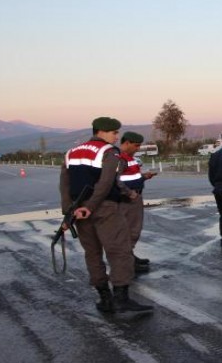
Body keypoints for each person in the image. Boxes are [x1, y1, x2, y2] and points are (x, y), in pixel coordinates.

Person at [59, 117, 153, 314]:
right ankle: (121, 299)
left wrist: (69, 214)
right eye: (114, 132)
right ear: (101, 131)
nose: (117, 136)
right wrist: (91, 206)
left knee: (92, 254)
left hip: (79, 210)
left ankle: (105, 299)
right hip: (104, 208)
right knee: (120, 251)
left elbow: (64, 186)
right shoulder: (108, 152)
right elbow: (106, 184)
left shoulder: (71, 152)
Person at [117, 131, 157, 272]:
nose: (138, 148)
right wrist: (130, 193)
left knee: (133, 230)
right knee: (130, 231)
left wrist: (143, 177)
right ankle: (125, 261)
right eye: (136, 145)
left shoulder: (129, 158)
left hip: (134, 197)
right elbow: (116, 180)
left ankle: (129, 256)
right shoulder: (120, 158)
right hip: (127, 200)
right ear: (126, 143)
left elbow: (129, 177)